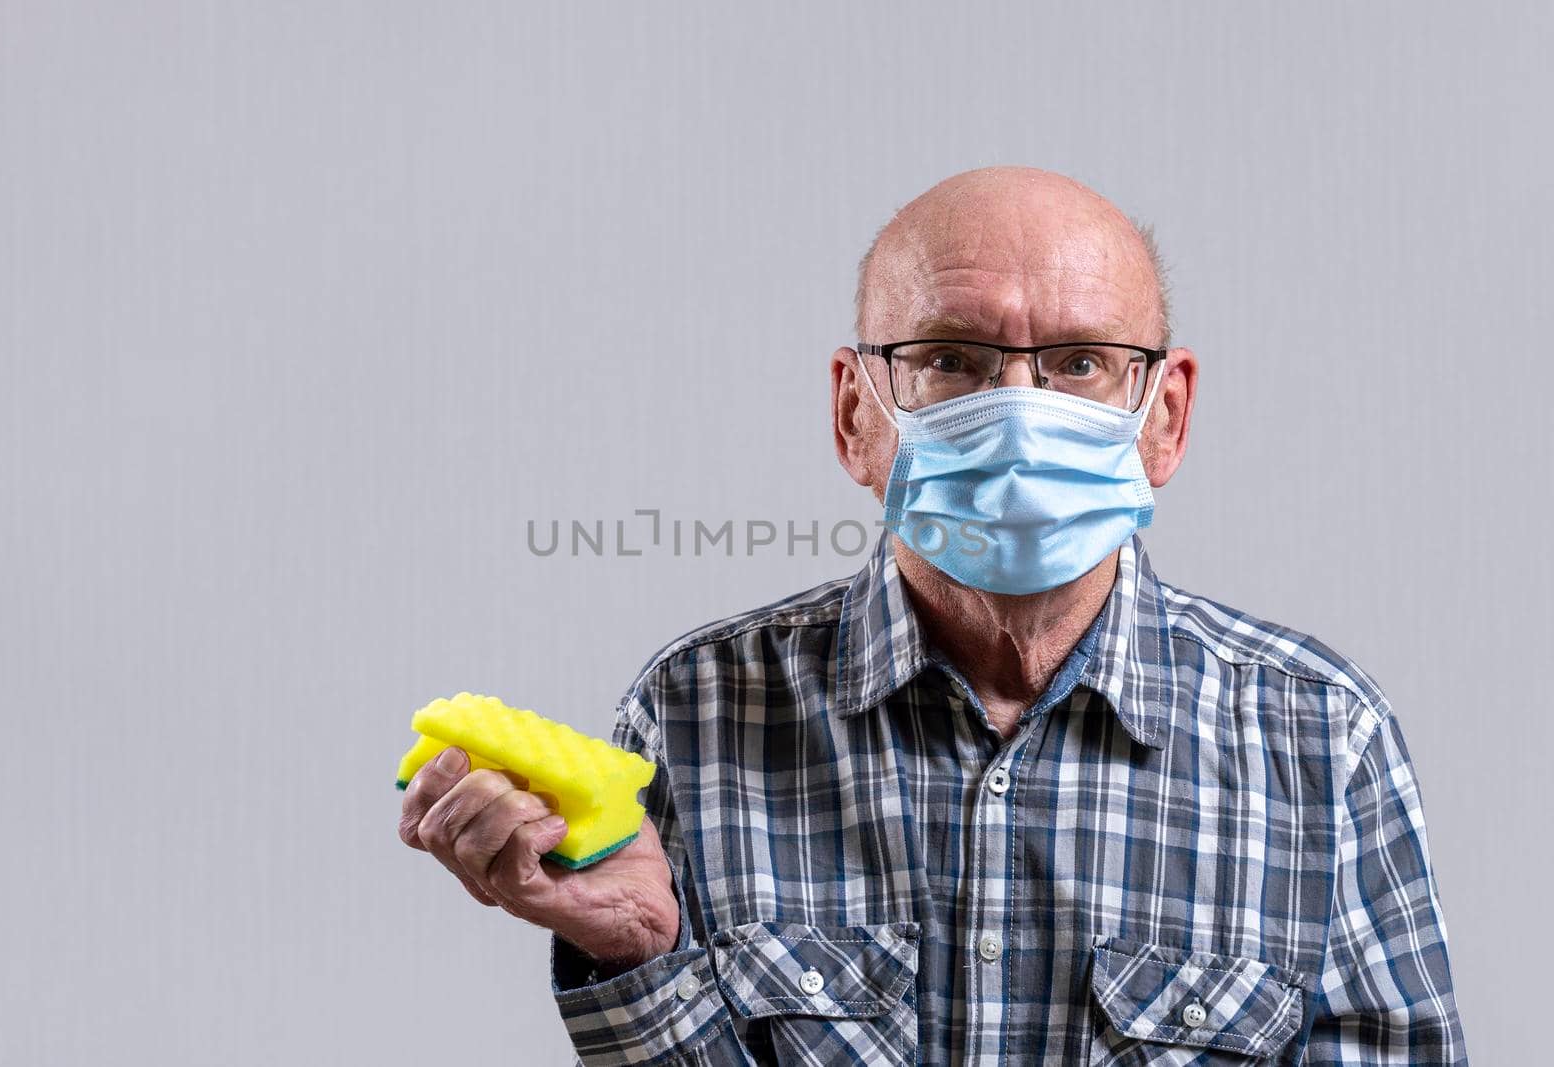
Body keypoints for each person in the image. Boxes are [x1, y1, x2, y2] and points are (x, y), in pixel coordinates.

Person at [398, 166, 1468, 1064]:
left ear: (1165, 416)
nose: (1015, 407)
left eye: (1079, 362)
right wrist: (641, 952)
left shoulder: (1320, 737)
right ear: (856, 411)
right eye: (951, 358)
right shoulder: (695, 715)